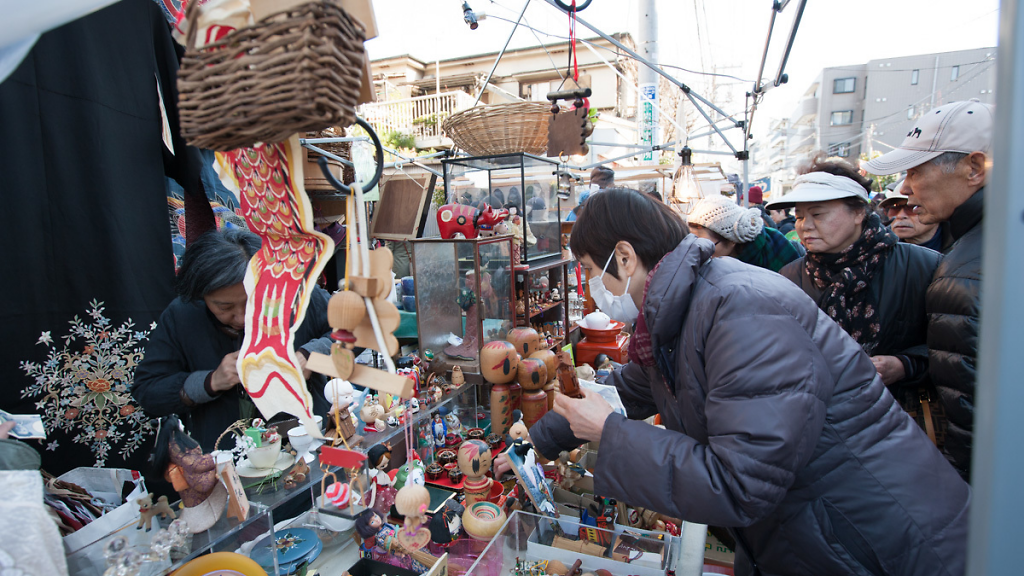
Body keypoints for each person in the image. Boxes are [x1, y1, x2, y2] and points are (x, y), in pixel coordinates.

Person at [508, 188, 968, 576]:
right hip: (807, 531)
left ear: (625, 258)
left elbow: (739, 482)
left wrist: (609, 433)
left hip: (872, 538)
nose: (591, 285)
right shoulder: (678, 310)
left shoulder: (740, 309)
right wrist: (532, 447)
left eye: (590, 269)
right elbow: (630, 387)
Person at [863, 99, 993, 481]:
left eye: (916, 171)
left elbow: (973, 410)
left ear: (973, 168)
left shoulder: (973, 264)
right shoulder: (974, 247)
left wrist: (953, 489)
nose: (906, 189)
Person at [768, 158, 941, 439]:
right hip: (822, 428)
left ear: (859, 212)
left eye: (818, 214)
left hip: (903, 426)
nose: (805, 226)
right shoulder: (790, 276)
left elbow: (958, 348)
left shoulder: (923, 267)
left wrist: (905, 365)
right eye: (799, 216)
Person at [133, 229, 333, 451]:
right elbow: (148, 391)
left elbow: (355, 333)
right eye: (224, 307)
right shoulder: (182, 315)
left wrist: (310, 356)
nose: (241, 318)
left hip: (308, 445)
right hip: (228, 459)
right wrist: (210, 382)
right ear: (201, 295)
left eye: (252, 303)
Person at [687, 195, 804, 272]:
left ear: (731, 239)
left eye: (705, 245)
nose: (699, 252)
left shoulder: (776, 250)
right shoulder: (705, 265)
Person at [881, 179, 946, 252]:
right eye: (894, 207)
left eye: (913, 207)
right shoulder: (878, 250)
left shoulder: (959, 248)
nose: (900, 216)